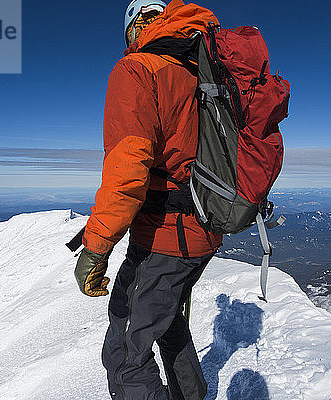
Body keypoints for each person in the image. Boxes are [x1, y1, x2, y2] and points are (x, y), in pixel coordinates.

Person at [73, 1, 222, 399]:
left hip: (165, 237)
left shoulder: (137, 69)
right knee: (169, 322)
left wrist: (97, 246)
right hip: (206, 226)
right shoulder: (199, 71)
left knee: (125, 351)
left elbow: (127, 170)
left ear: (133, 30)